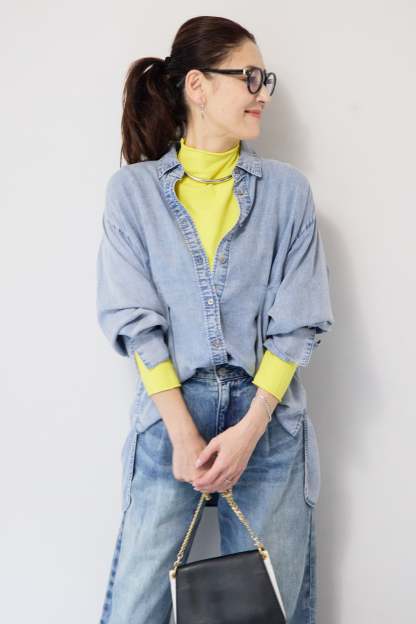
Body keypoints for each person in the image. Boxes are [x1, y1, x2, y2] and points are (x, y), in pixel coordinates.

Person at [96, 15, 334, 624]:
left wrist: (250, 430)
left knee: (265, 614)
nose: (262, 92)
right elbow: (134, 322)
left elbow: (298, 323)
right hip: (170, 419)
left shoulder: (287, 193)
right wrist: (183, 434)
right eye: (249, 77)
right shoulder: (134, 194)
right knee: (134, 610)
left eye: (265, 79)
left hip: (268, 424)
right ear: (197, 86)